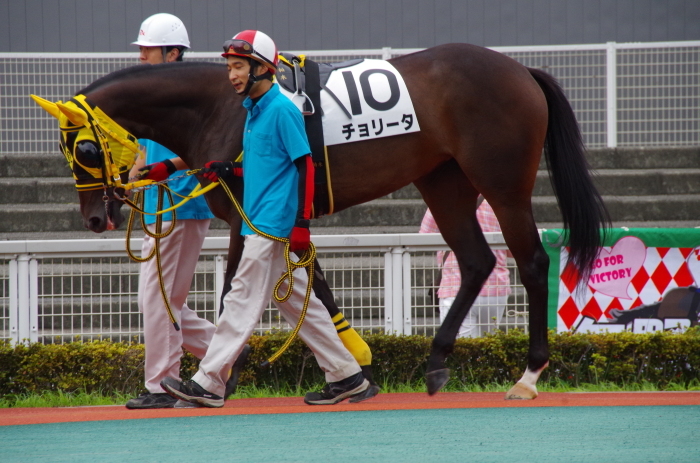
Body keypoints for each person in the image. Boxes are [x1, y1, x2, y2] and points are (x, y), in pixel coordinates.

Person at [160, 30, 368, 407]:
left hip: (272, 227)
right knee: (298, 304)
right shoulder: (253, 112)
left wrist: (302, 224)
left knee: (240, 298)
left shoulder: (282, 109)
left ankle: (209, 382)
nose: (232, 75)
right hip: (262, 221)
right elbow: (269, 169)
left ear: (262, 67)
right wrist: (227, 171)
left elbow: (305, 167)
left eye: (238, 66)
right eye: (229, 68)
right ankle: (348, 375)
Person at [124, 13, 223, 410]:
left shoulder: (191, 91)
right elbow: (144, 147)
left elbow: (204, 144)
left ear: (173, 51)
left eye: (148, 49)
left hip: (182, 202)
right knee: (163, 300)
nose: (142, 56)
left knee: (160, 299)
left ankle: (162, 385)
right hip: (158, 204)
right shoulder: (152, 90)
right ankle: (223, 350)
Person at [419, 199, 511, 338]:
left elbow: (423, 240)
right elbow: (514, 249)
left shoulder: (443, 196)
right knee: (488, 348)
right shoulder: (500, 199)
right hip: (496, 287)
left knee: (461, 351)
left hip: (456, 286)